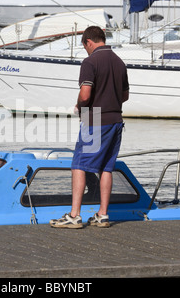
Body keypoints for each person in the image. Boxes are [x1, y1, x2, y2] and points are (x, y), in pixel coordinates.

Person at [50, 26, 129, 228]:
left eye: (84, 46)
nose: (85, 50)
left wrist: (80, 104)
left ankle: (74, 215)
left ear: (88, 42)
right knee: (107, 167)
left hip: (95, 119)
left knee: (79, 164)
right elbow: (125, 96)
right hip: (116, 120)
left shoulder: (90, 61)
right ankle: (103, 214)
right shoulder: (120, 62)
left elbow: (85, 94)